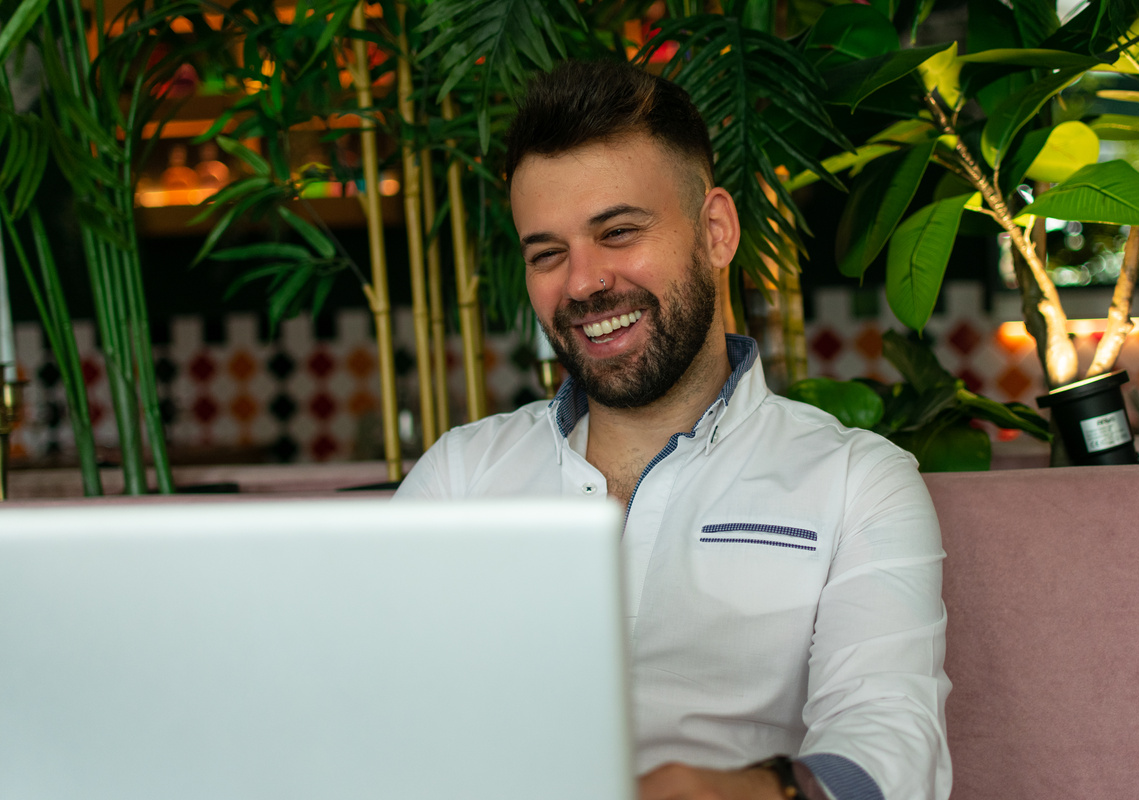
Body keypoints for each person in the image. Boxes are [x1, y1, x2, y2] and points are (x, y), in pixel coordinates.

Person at [394, 59, 951, 800]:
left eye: (618, 231)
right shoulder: (460, 477)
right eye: (548, 254)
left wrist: (739, 793)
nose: (584, 282)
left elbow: (890, 742)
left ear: (716, 231)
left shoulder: (857, 481)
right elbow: (368, 702)